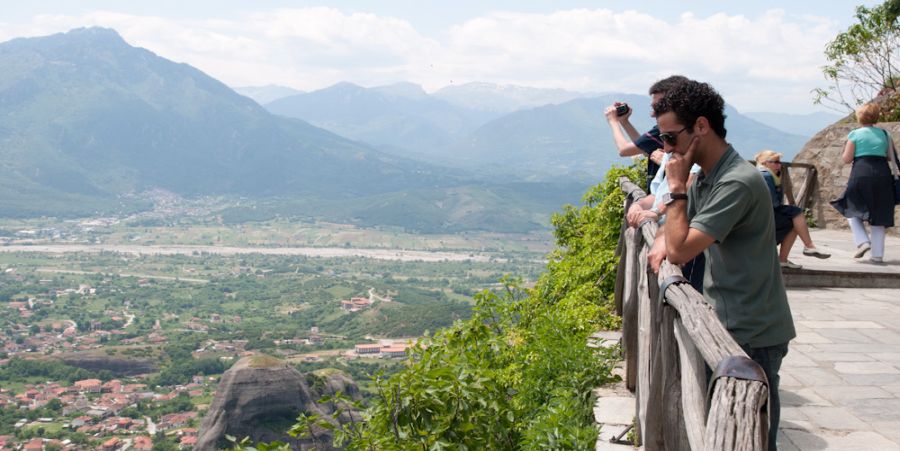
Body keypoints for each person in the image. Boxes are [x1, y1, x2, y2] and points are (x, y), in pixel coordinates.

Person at [649, 80, 795, 451]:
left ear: (701, 126)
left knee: (754, 440)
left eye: (670, 138)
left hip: (753, 331)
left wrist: (677, 188)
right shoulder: (710, 177)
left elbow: (682, 250)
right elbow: (674, 230)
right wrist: (664, 234)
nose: (666, 149)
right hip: (733, 321)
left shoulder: (736, 182)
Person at [830, 102, 898, 264]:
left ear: (859, 117)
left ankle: (863, 241)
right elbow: (891, 156)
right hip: (882, 174)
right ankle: (877, 255)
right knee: (879, 213)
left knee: (850, 206)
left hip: (861, 172)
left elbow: (847, 159)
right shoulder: (885, 134)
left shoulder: (854, 134)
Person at [605, 75, 690, 190]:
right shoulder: (666, 130)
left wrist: (613, 122)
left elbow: (623, 150)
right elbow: (646, 149)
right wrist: (625, 122)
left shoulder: (665, 131)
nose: (652, 113)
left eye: (658, 106)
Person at [755, 150, 831, 269]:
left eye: (779, 162)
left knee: (796, 221)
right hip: (763, 217)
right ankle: (807, 247)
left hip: (761, 215)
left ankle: (788, 257)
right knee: (796, 214)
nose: (779, 165)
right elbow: (773, 203)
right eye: (775, 162)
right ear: (765, 163)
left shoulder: (766, 174)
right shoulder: (766, 176)